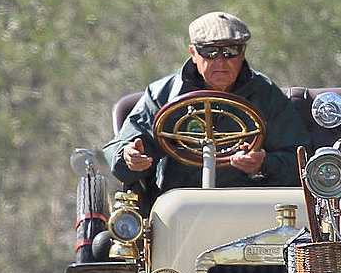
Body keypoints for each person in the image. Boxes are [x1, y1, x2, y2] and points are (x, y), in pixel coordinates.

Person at [105, 11, 311, 194]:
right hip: (178, 205)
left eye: (230, 51)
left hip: (247, 204)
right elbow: (121, 147)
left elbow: (301, 160)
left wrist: (263, 163)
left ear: (243, 52)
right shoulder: (163, 95)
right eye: (209, 52)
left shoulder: (265, 95)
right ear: (193, 53)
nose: (220, 61)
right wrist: (130, 158)